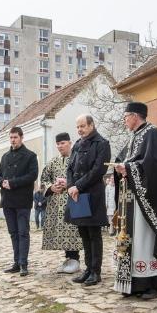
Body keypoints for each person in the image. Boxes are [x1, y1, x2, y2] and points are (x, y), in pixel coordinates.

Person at [113, 103, 157, 299]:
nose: (124, 122)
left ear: (134, 116)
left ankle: (152, 284)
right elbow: (126, 159)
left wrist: (129, 169)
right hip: (131, 202)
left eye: (125, 117)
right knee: (131, 241)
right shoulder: (133, 138)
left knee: (144, 241)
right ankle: (132, 284)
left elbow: (155, 166)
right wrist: (120, 167)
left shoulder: (153, 134)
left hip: (147, 202)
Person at [66, 115, 111, 286]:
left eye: (83, 126)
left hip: (92, 194)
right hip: (76, 194)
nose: (80, 129)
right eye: (78, 127)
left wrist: (78, 186)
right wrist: (71, 186)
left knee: (94, 234)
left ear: (92, 124)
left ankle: (95, 271)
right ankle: (87, 269)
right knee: (83, 233)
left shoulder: (102, 143)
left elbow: (98, 169)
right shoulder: (77, 144)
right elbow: (70, 167)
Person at [0, 126, 39, 276]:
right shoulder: (5, 156)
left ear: (21, 137)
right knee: (13, 233)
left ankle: (23, 264)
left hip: (22, 201)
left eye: (15, 137)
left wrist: (12, 183)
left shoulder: (30, 156)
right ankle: (16, 262)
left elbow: (32, 175)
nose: (13, 140)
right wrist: (2, 182)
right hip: (7, 200)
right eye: (11, 137)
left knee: (23, 233)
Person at [40, 133, 83, 273]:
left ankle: (75, 259)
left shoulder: (77, 159)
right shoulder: (52, 162)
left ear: (69, 143)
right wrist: (51, 187)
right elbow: (44, 179)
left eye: (63, 143)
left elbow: (83, 177)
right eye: (58, 144)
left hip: (73, 200)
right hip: (57, 203)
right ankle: (68, 259)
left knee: (73, 231)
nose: (60, 146)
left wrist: (69, 184)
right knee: (62, 231)